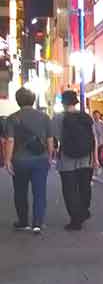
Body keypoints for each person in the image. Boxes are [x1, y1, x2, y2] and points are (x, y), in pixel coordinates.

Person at [2, 88, 53, 233]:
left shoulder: (12, 118)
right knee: (39, 192)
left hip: (19, 160)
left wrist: (7, 160)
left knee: (20, 191)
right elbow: (50, 140)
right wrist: (49, 157)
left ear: (18, 101)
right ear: (33, 99)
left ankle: (23, 222)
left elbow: (10, 140)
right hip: (40, 159)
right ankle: (37, 223)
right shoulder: (44, 117)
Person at [52, 90, 99, 231]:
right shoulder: (86, 117)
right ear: (76, 102)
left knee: (70, 190)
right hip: (86, 159)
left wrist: (52, 153)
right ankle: (84, 210)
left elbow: (54, 139)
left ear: (63, 103)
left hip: (66, 161)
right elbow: (94, 139)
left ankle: (75, 220)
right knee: (84, 187)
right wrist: (95, 158)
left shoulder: (58, 118)